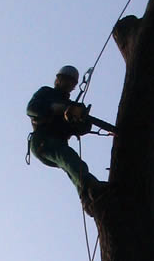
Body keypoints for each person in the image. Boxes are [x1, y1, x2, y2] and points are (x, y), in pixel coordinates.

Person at [26, 65, 103, 201]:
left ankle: (88, 200)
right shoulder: (46, 93)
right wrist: (56, 108)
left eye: (71, 82)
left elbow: (83, 129)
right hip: (42, 141)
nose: (68, 84)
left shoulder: (72, 105)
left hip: (58, 142)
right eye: (65, 80)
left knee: (70, 165)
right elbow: (31, 109)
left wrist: (81, 119)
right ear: (58, 80)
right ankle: (91, 185)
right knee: (67, 157)